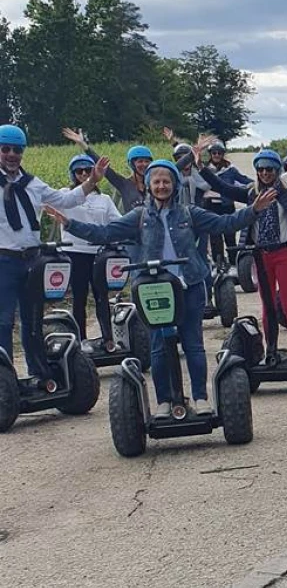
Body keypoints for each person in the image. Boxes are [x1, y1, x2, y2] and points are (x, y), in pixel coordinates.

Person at [47, 160, 273, 417]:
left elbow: (225, 223)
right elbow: (105, 233)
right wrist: (70, 224)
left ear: (175, 184)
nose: (162, 186)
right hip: (155, 289)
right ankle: (164, 401)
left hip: (189, 285)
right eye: (157, 181)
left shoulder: (189, 213)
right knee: (158, 345)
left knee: (193, 344)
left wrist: (253, 210)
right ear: (148, 185)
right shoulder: (139, 217)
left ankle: (200, 398)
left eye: (167, 181)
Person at [198, 145, 287, 364]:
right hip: (261, 256)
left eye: (269, 169)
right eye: (261, 169)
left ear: (277, 170)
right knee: (268, 305)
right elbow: (223, 187)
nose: (265, 173)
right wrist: (201, 167)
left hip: (284, 253)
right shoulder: (251, 193)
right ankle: (270, 350)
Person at [1, 125, 106, 385]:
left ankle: (40, 374)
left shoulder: (33, 184)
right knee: (3, 322)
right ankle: (5, 380)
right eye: (6, 150)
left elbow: (66, 201)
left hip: (33, 261)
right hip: (3, 261)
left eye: (17, 150)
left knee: (33, 320)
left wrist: (92, 180)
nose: (12, 155)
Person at [58, 154, 123, 354]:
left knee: (102, 295)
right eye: (79, 171)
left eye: (88, 170)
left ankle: (108, 338)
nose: (84, 174)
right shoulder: (65, 195)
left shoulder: (103, 199)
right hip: (74, 252)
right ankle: (81, 339)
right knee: (79, 297)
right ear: (73, 174)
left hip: (99, 253)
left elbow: (117, 221)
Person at [62, 127, 151, 212]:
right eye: (140, 161)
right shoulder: (124, 184)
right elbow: (106, 169)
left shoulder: (155, 184)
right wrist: (84, 145)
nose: (144, 164)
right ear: (132, 164)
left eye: (147, 161)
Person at [200, 140, 251, 268]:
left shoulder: (230, 170)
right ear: (210, 154)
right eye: (214, 153)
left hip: (227, 206)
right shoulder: (204, 169)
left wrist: (257, 185)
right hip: (210, 206)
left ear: (223, 154)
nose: (216, 155)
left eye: (219, 153)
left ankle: (234, 264)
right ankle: (220, 265)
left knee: (230, 237)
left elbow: (244, 180)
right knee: (215, 239)